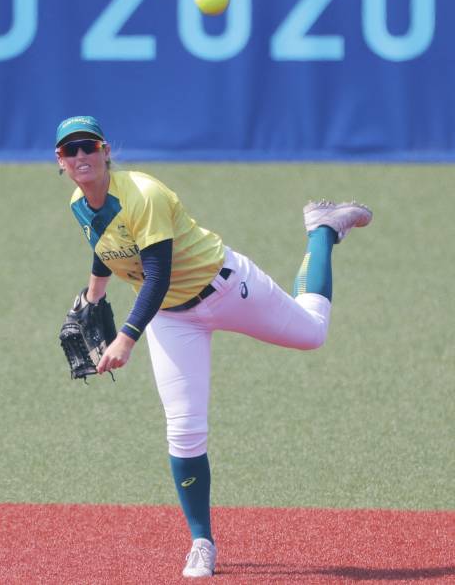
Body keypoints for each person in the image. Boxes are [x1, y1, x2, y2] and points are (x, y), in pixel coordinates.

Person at [54, 115, 372, 578]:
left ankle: (322, 229)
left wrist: (126, 337)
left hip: (225, 287)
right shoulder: (79, 203)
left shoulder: (143, 194)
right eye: (69, 150)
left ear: (105, 152)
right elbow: (105, 246)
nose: (80, 156)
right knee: (183, 429)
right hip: (172, 320)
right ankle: (202, 541)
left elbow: (158, 274)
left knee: (312, 333)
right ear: (59, 162)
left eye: (88, 146)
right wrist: (95, 292)